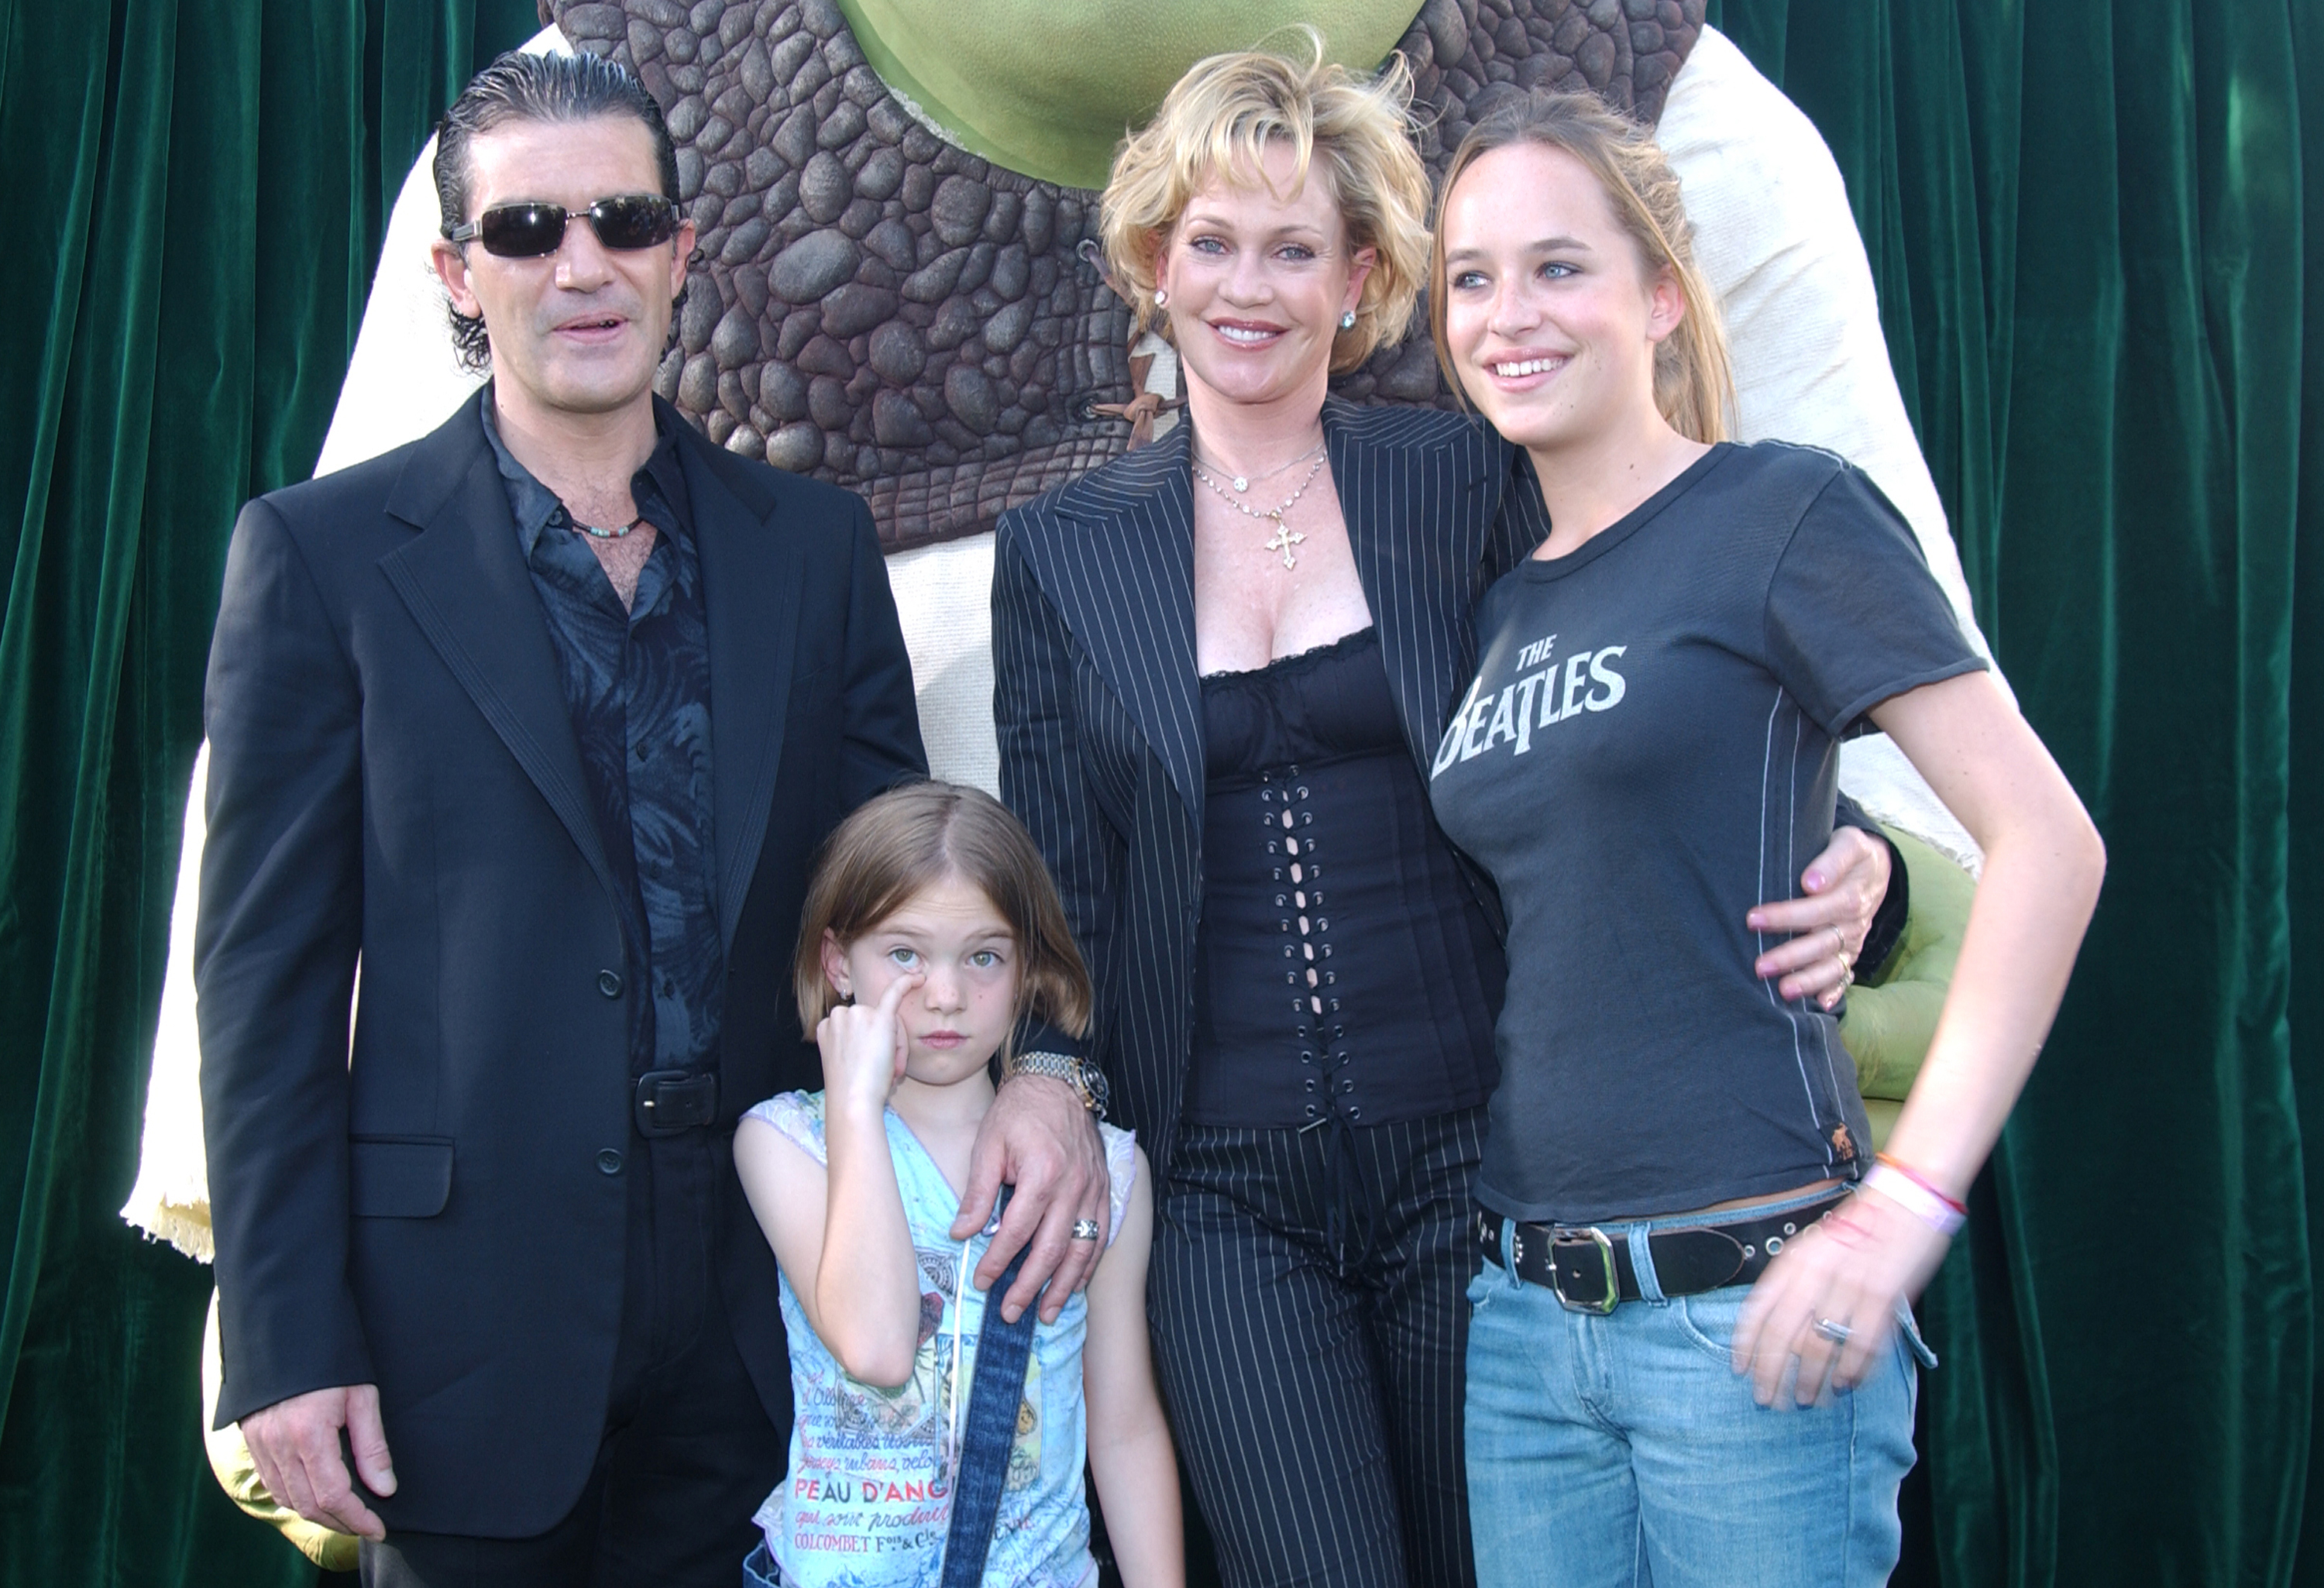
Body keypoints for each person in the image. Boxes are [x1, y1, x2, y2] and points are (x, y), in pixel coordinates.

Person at [989, 41, 1908, 1588]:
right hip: (1219, 1189)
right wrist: (1054, 1076)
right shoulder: (1062, 550)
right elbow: (1062, 872)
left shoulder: (1457, 475)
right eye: (1211, 241)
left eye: (1296, 248)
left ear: (1359, 277)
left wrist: (1856, 834)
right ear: (1155, 262)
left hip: (1477, 1162)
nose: (1248, 284)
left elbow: (1658, 664)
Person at [196, 50, 1112, 1586]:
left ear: (684, 253)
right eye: (528, 231)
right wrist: (287, 1336)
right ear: (456, 273)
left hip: (775, 1307)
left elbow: (904, 889)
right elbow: (266, 982)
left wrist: (1049, 1069)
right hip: (461, 1332)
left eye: (623, 219)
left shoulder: (810, 548)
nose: (582, 265)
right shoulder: (321, 558)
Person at [1425, 93, 2106, 1587]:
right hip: (1530, 1331)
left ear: (1662, 293)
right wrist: (1841, 828)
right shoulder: (1496, 606)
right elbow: (1655, 823)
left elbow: (2049, 845)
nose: (1506, 315)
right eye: (1470, 277)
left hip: (1749, 1316)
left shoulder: (1783, 510)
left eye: (1558, 267)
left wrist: (1909, 1207)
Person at [733, 781, 1182, 1586]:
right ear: (837, 962)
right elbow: (875, 1345)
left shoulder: (1105, 1171)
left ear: (1027, 970)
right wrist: (858, 1110)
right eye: (904, 953)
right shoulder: (787, 1142)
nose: (945, 994)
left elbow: (1123, 1426)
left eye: (983, 955)